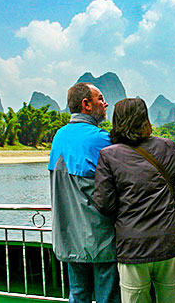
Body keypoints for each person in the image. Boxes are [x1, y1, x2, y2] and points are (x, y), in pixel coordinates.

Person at [93, 98, 175, 303]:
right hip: (168, 241)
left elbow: (103, 204)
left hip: (133, 245)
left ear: (118, 122)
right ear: (144, 120)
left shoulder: (109, 155)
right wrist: (167, 200)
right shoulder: (167, 146)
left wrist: (129, 208)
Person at [48, 82, 121, 303]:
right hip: (100, 239)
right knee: (107, 297)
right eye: (100, 98)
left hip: (69, 236)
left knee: (78, 295)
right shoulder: (101, 139)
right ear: (86, 104)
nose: (105, 103)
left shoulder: (59, 136)